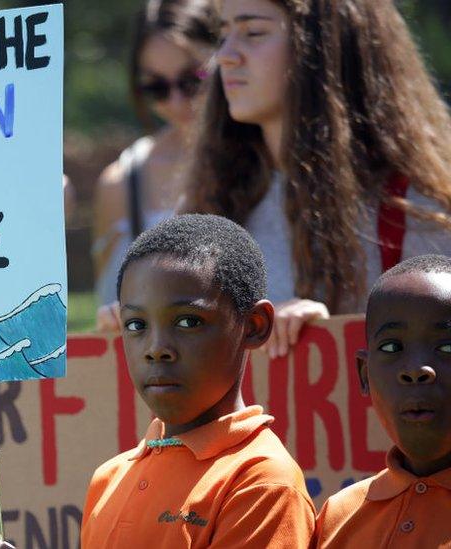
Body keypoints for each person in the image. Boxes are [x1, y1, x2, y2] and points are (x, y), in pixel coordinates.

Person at [0, 214, 316, 548]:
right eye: (136, 325)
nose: (156, 349)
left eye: (188, 322)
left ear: (254, 326)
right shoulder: (109, 479)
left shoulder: (262, 483)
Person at [182, 0, 451, 358]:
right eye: (224, 32)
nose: (224, 57)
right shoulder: (205, 207)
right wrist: (140, 321)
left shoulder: (415, 209)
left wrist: (337, 336)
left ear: (326, 48)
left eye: (253, 32)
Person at [315, 254, 451, 548]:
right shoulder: (338, 516)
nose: (417, 370)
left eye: (447, 346)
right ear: (365, 375)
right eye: (392, 346)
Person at [92, 0, 217, 312]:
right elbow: (109, 313)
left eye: (192, 80)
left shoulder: (271, 158)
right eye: (156, 86)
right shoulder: (121, 182)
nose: (175, 101)